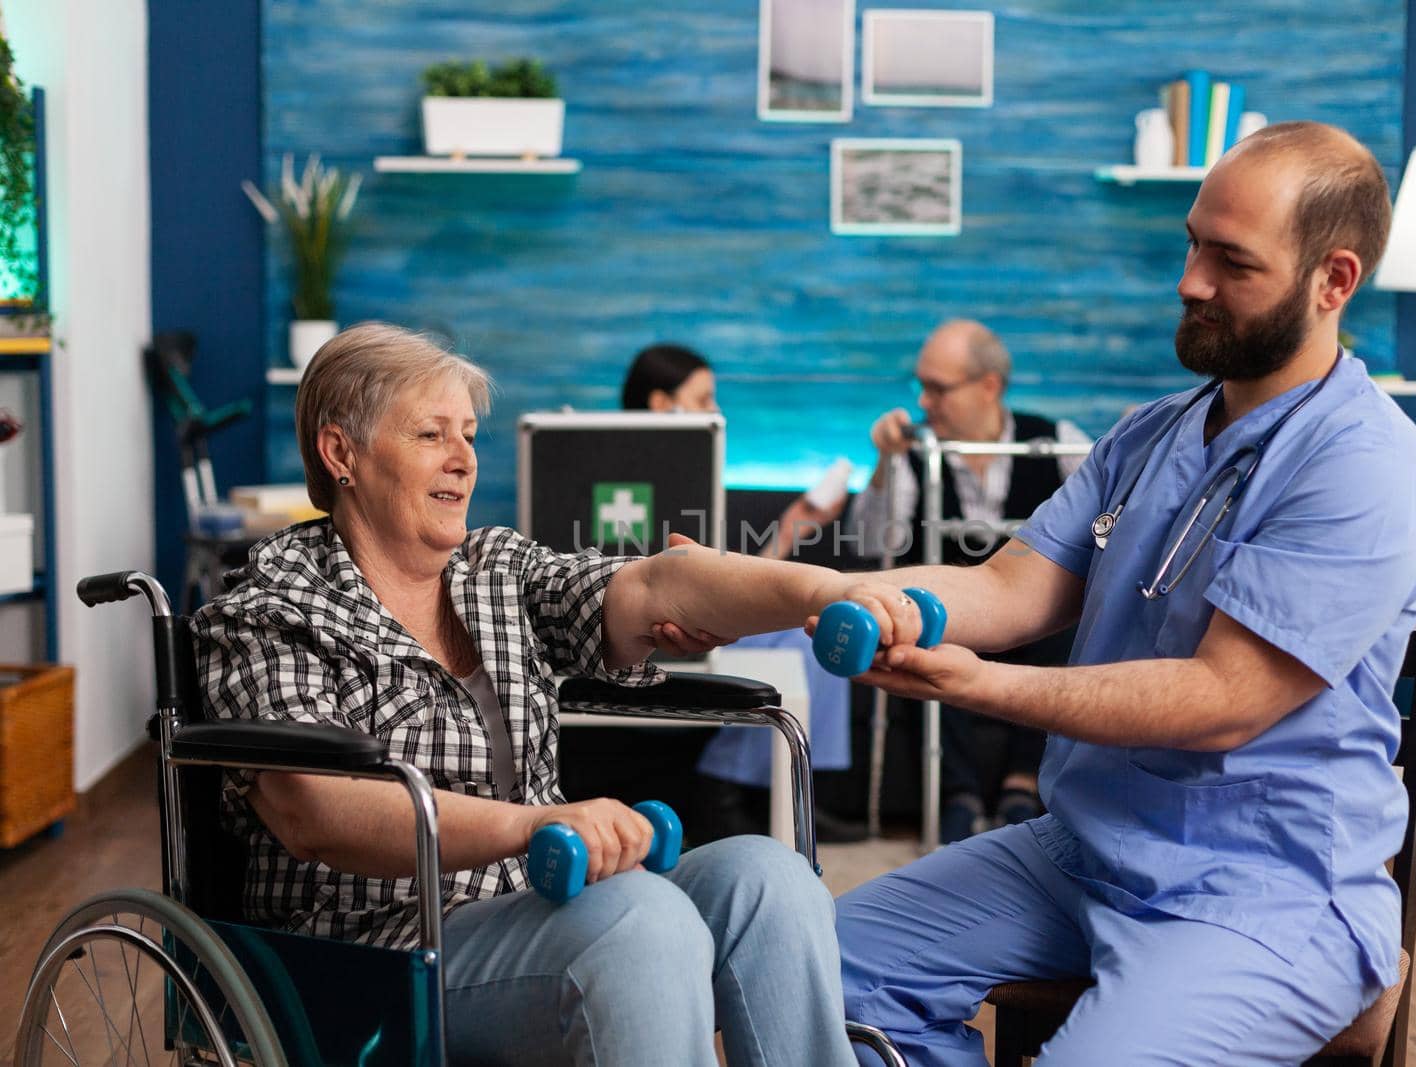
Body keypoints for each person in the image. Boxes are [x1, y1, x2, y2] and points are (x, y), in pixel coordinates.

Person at [825, 123, 1416, 1063]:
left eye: (1230, 260)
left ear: (1334, 280)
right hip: (1082, 847)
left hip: (1260, 889)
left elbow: (1221, 701)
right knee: (815, 964)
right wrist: (852, 595)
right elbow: (1009, 586)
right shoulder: (1152, 433)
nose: (1190, 280)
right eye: (1193, 242)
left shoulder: (1363, 463)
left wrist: (979, 685)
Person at [191, 323, 868, 1067]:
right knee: (639, 918)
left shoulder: (495, 569)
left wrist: (831, 591)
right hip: (373, 953)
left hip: (538, 905)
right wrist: (535, 822)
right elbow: (317, 808)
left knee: (770, 883)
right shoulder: (271, 608)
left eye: (470, 436)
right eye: (430, 434)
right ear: (340, 452)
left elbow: (653, 583)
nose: (464, 460)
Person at [846, 319, 1093, 842]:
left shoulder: (1056, 442)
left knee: (1068, 616)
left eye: (938, 388)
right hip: (956, 612)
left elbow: (1112, 516)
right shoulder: (913, 453)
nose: (925, 402)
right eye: (922, 387)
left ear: (988, 386)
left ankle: (1022, 786)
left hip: (1035, 621)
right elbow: (870, 543)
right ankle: (956, 795)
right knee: (930, 629)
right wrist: (884, 464)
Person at [621, 342, 866, 843]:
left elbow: (720, 582)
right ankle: (726, 788)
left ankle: (782, 789)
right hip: (649, 616)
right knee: (800, 642)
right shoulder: (635, 473)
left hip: (696, 608)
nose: (716, 411)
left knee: (815, 635)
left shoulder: (700, 474)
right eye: (705, 397)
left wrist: (794, 529)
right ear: (662, 404)